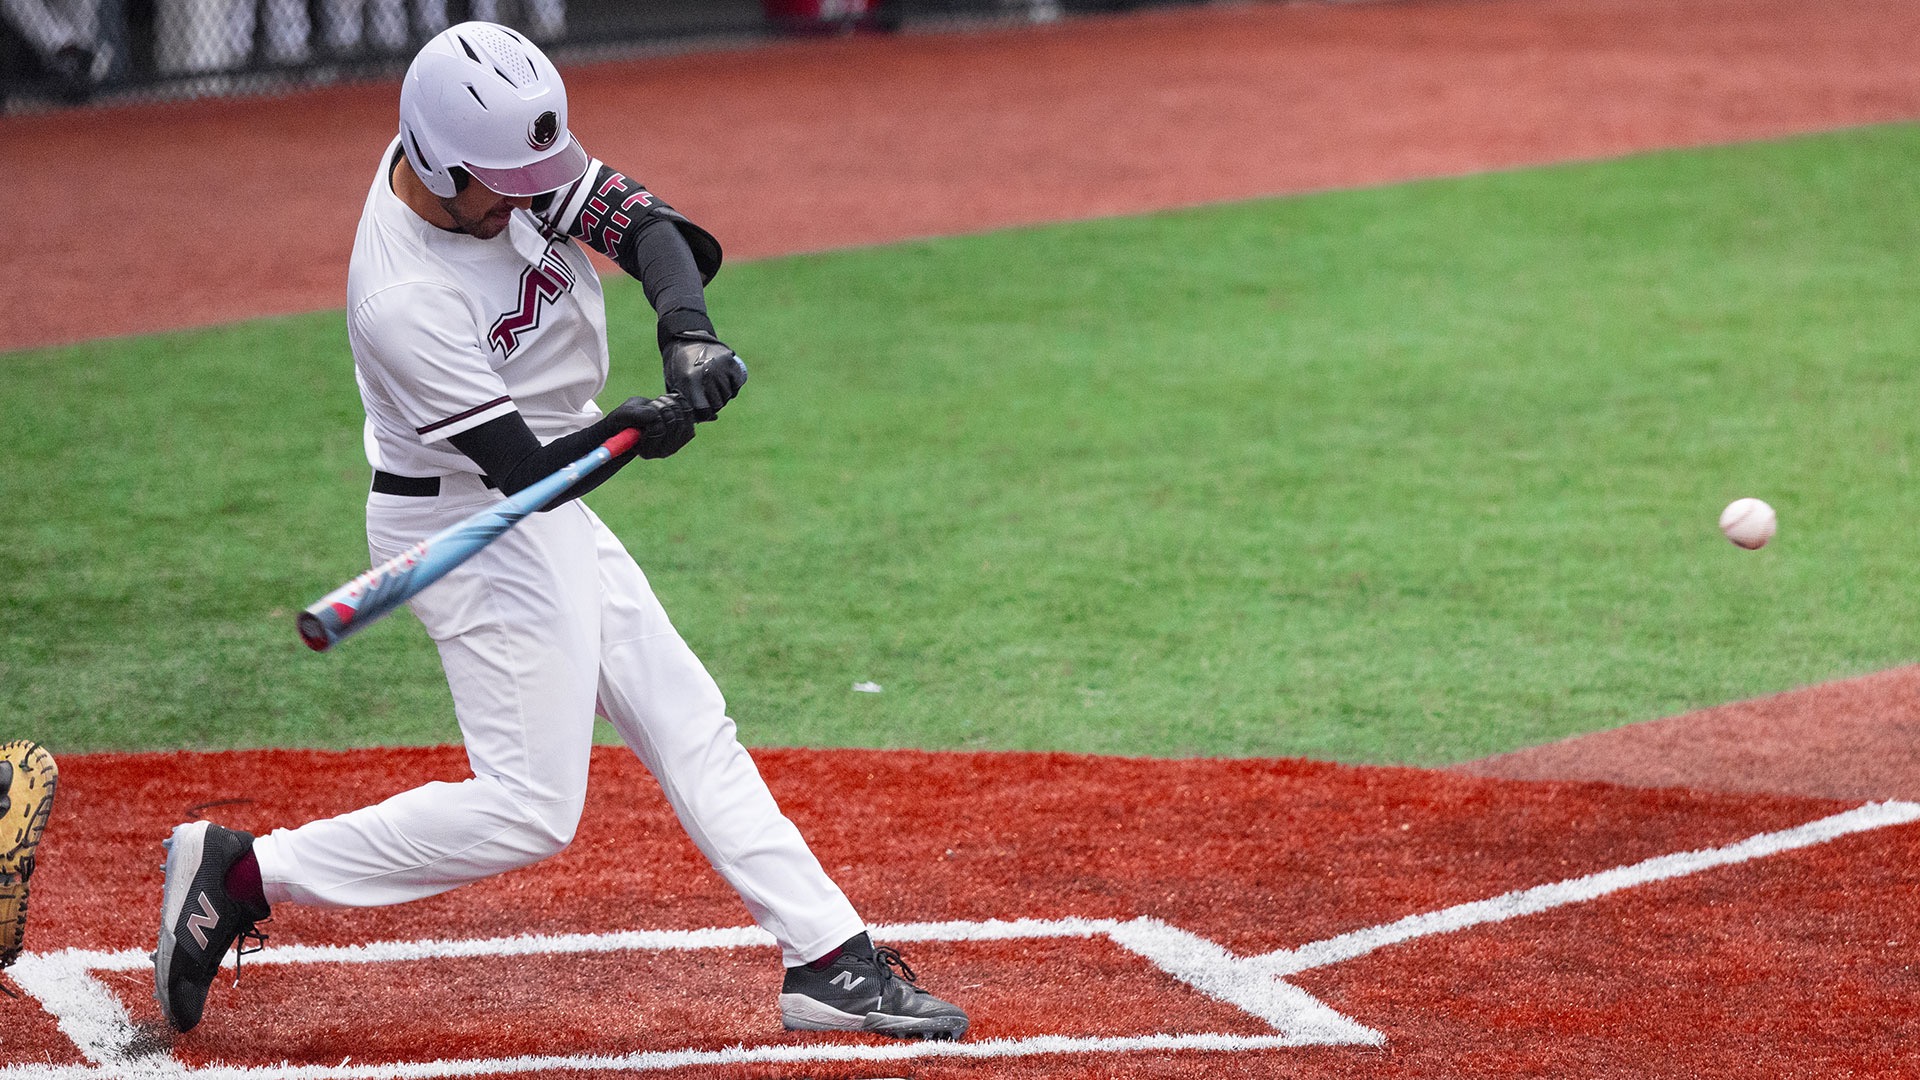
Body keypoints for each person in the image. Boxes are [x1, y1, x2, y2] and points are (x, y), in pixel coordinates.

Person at [153, 21, 968, 1044]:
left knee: (683, 716)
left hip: (545, 481)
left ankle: (829, 960)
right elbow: (526, 477)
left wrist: (688, 332)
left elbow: (657, 234)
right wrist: (641, 427)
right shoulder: (403, 298)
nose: (528, 196)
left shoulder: (500, 161)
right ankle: (242, 872)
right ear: (439, 162)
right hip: (475, 517)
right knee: (531, 808)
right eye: (502, 182)